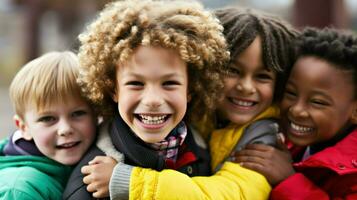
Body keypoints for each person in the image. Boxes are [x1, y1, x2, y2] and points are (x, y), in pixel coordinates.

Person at [68, 5, 298, 200]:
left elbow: (228, 193)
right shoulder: (196, 118)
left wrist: (129, 180)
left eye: (263, 76)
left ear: (193, 84)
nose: (246, 87)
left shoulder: (263, 139)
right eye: (233, 70)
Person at [62, 0, 229, 199]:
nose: (152, 100)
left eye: (169, 83)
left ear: (191, 89)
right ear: (112, 88)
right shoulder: (89, 185)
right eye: (136, 83)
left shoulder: (204, 149)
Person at [235, 28, 357, 199]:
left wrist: (288, 180)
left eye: (317, 102)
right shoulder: (283, 141)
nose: (296, 109)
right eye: (291, 93)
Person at [0, 51, 97, 200]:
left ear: (98, 114)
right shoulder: (19, 191)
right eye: (47, 118)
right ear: (24, 127)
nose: (65, 129)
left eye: (78, 113)